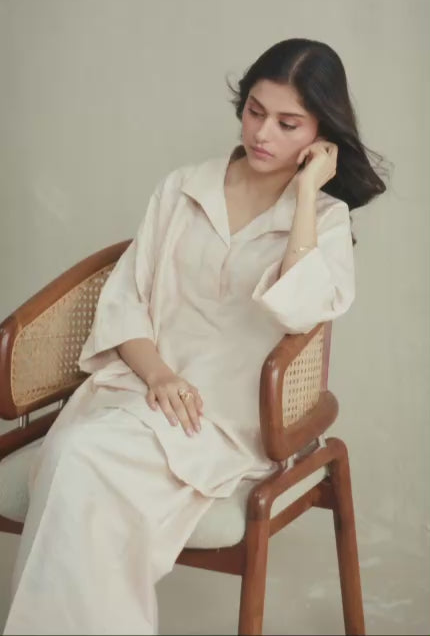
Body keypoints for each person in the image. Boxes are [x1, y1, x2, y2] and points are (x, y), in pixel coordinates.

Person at [4, 38, 387, 635]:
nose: (262, 133)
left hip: (231, 420)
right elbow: (126, 299)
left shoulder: (324, 220)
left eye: (288, 124)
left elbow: (301, 311)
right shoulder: (183, 189)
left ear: (321, 133)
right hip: (140, 390)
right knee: (77, 460)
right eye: (254, 111)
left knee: (78, 463)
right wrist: (159, 376)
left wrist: (308, 195)